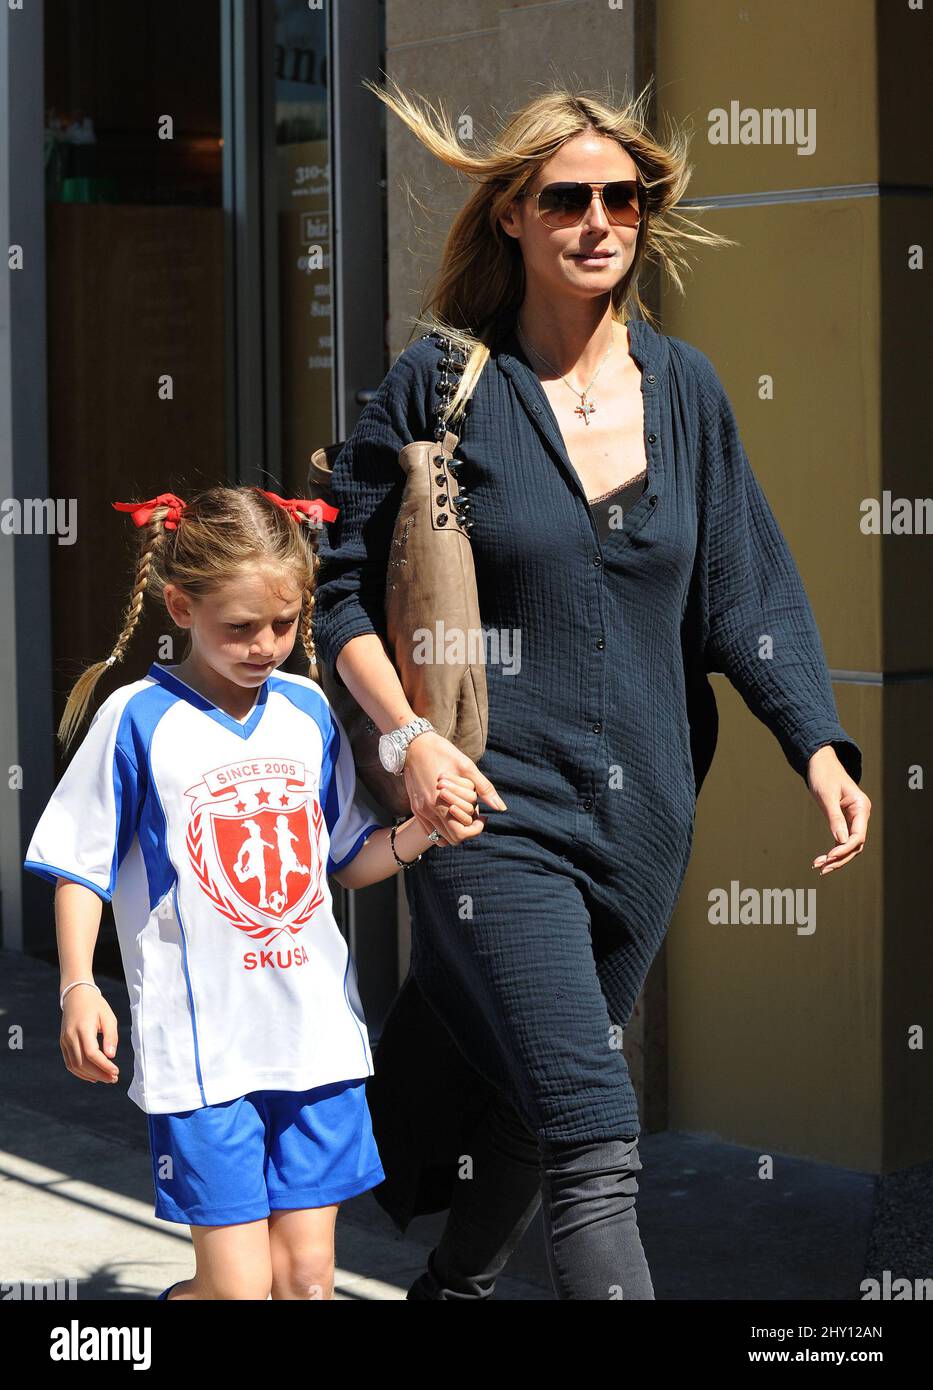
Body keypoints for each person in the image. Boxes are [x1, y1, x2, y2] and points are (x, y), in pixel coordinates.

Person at [311, 78, 872, 1300]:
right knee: (592, 1128)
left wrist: (819, 746)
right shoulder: (442, 386)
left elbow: (747, 592)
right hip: (485, 805)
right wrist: (407, 737)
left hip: (643, 820)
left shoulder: (688, 390)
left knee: (535, 1095)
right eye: (567, 197)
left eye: (624, 196)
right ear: (512, 213)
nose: (600, 219)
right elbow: (337, 587)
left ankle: (449, 1289)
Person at [22, 484, 488, 1301]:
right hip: (203, 1061)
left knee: (306, 1282)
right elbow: (78, 864)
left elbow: (345, 859)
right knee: (235, 1292)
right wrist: (77, 985)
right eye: (239, 627)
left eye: (283, 623)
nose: (265, 645)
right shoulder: (136, 719)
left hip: (317, 1045)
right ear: (178, 605)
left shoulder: (308, 710)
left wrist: (420, 833)